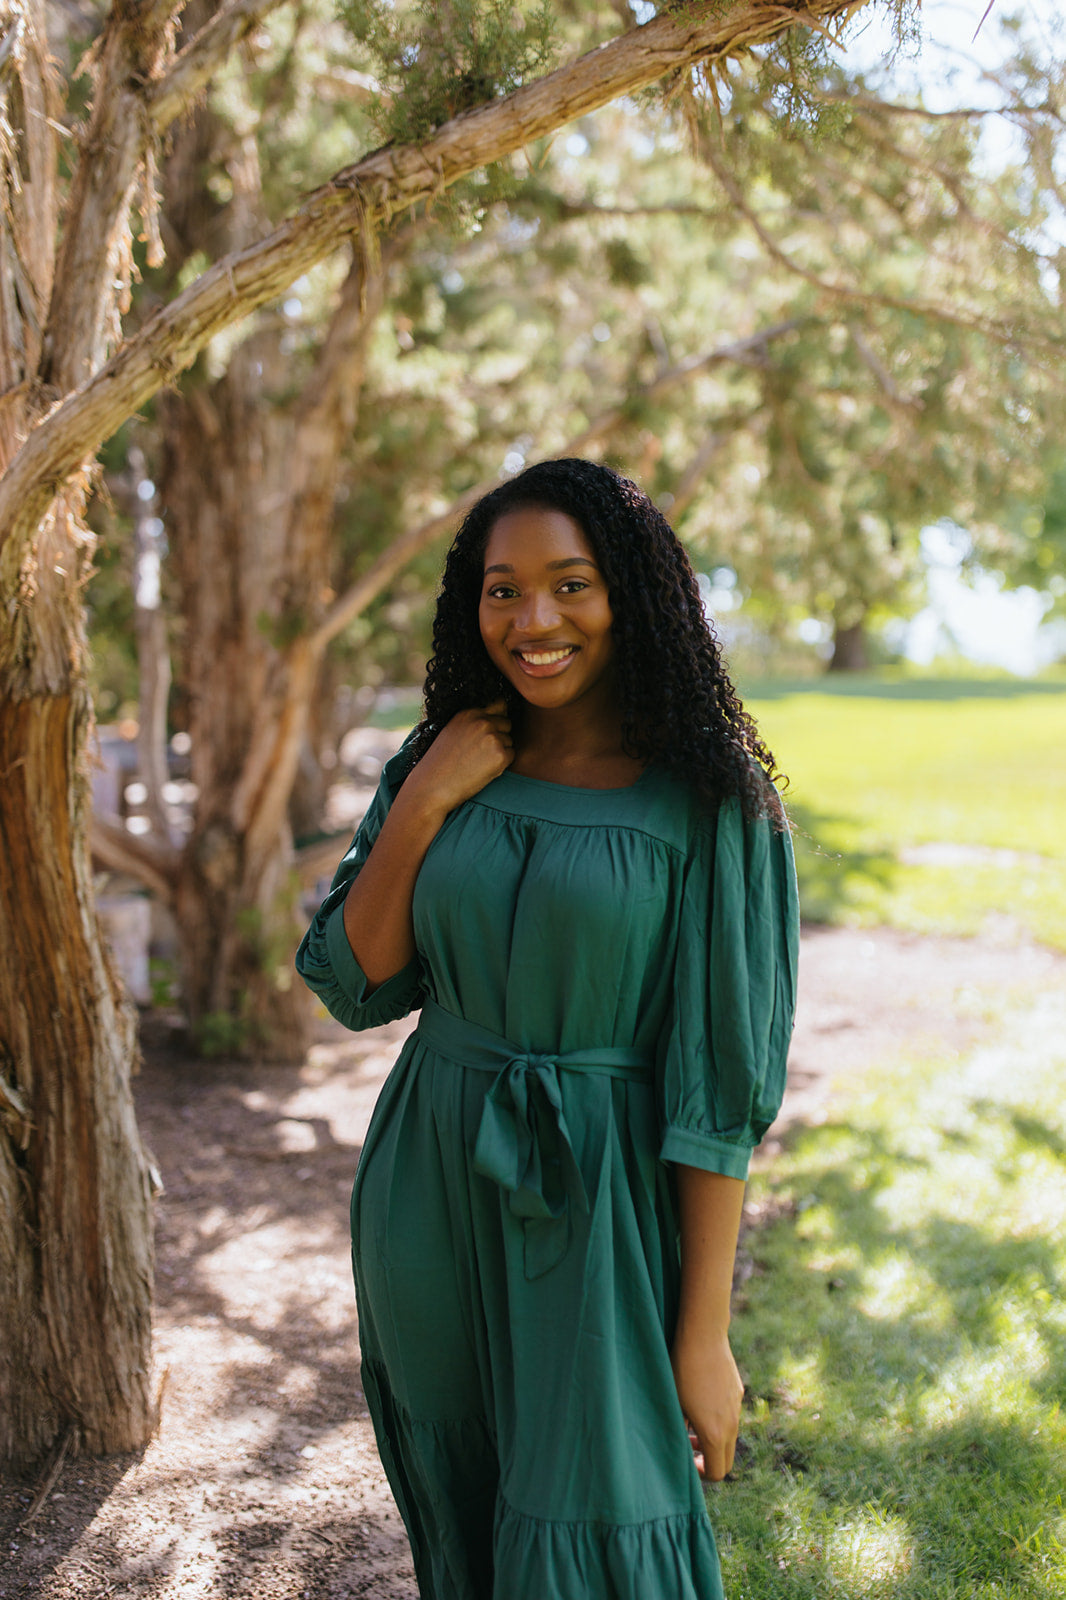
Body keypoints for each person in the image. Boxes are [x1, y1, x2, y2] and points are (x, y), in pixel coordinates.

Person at [296, 457, 798, 1600]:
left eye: (571, 584)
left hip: (599, 1194)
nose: (533, 620)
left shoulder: (710, 800)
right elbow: (355, 980)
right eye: (502, 589)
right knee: (461, 1502)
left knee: (602, 1520)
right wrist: (428, 799)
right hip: (428, 1182)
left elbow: (716, 1096)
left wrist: (703, 1333)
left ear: (631, 592)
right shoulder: (442, 758)